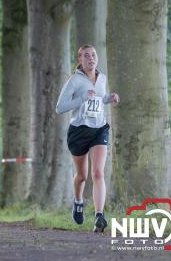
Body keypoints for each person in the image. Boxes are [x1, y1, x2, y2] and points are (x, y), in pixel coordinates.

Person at [55, 44, 120, 233]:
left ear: (97, 58)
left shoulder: (103, 78)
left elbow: (99, 99)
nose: (90, 58)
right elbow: (60, 108)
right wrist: (82, 98)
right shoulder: (74, 81)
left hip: (99, 129)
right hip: (79, 131)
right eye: (86, 56)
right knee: (82, 176)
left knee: (98, 172)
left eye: (93, 55)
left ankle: (99, 216)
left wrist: (110, 98)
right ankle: (78, 201)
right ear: (80, 61)